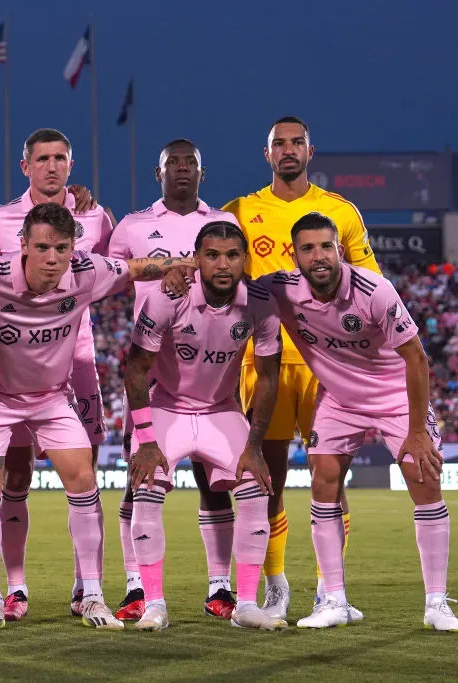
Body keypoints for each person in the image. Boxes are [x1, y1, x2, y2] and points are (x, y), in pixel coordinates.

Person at [0, 202, 192, 632]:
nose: (52, 258)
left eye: (61, 248)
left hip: (51, 397)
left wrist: (186, 263)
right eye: (42, 248)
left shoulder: (87, 271)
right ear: (23, 245)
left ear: (73, 248)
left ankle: (92, 596)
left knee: (84, 478)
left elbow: (135, 268)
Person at [259, 212, 458, 632]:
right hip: (339, 398)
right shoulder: (280, 289)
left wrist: (418, 431)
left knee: (424, 480)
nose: (318, 256)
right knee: (323, 481)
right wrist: (182, 269)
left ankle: (437, 604)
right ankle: (334, 600)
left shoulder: (375, 290)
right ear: (294, 255)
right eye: (307, 248)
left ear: (340, 249)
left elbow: (416, 358)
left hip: (395, 396)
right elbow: (226, 284)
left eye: (326, 246)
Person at [222, 116, 381, 618]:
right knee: (264, 480)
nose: (288, 150)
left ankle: (329, 590)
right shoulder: (240, 211)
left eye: (297, 143)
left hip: (328, 367)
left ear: (310, 151)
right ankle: (276, 585)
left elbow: (372, 285)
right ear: (266, 154)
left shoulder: (341, 212)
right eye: (279, 144)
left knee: (328, 479)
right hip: (263, 362)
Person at [0, 128, 114, 620]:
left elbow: (111, 272)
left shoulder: (95, 216)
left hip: (78, 358)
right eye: (42, 159)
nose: (52, 167)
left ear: (71, 165)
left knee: (84, 469)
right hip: (14, 364)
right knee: (14, 475)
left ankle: (85, 587)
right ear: (25, 166)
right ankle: (14, 588)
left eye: (60, 158)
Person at [124, 221, 285, 631]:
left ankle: (246, 605)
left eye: (232, 255)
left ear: (245, 259)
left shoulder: (261, 302)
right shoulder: (167, 296)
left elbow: (268, 378)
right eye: (212, 255)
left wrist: (254, 445)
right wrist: (146, 440)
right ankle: (154, 605)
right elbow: (136, 370)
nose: (223, 264)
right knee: (146, 488)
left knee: (255, 488)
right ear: (196, 259)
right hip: (168, 407)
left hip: (220, 410)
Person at [107, 139, 241, 621]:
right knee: (140, 479)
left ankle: (220, 587)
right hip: (151, 369)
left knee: (214, 482)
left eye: (191, 163)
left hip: (212, 368)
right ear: (157, 172)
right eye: (173, 163)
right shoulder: (133, 225)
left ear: (202, 172)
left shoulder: (223, 222)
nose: (182, 169)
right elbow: (109, 275)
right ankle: (136, 587)